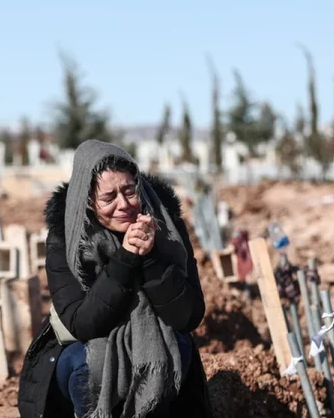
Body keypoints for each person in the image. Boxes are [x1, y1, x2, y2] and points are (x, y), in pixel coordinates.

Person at [18, 140, 212, 418]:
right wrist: (125, 259)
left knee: (176, 349)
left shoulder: (166, 226)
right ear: (87, 200)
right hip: (89, 343)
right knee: (86, 365)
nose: (124, 205)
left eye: (130, 191)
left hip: (154, 337)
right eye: (109, 198)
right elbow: (83, 323)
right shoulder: (66, 238)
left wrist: (150, 257)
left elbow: (187, 316)